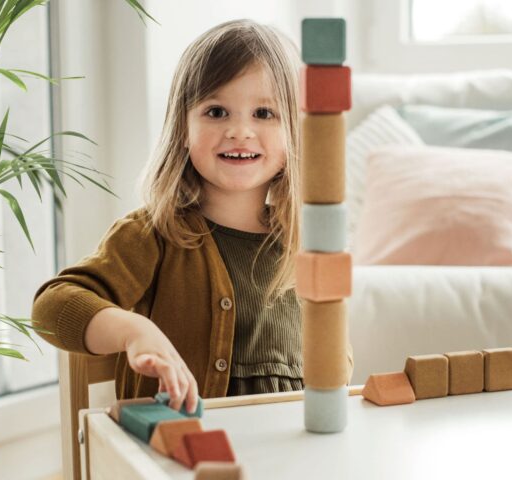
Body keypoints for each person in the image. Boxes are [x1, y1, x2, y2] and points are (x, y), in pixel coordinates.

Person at [32, 19, 354, 414]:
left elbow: (337, 360)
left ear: (294, 132)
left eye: (264, 113)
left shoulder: (304, 242)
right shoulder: (153, 234)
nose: (240, 130)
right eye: (216, 111)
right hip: (181, 455)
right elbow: (51, 307)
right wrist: (135, 331)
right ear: (183, 128)